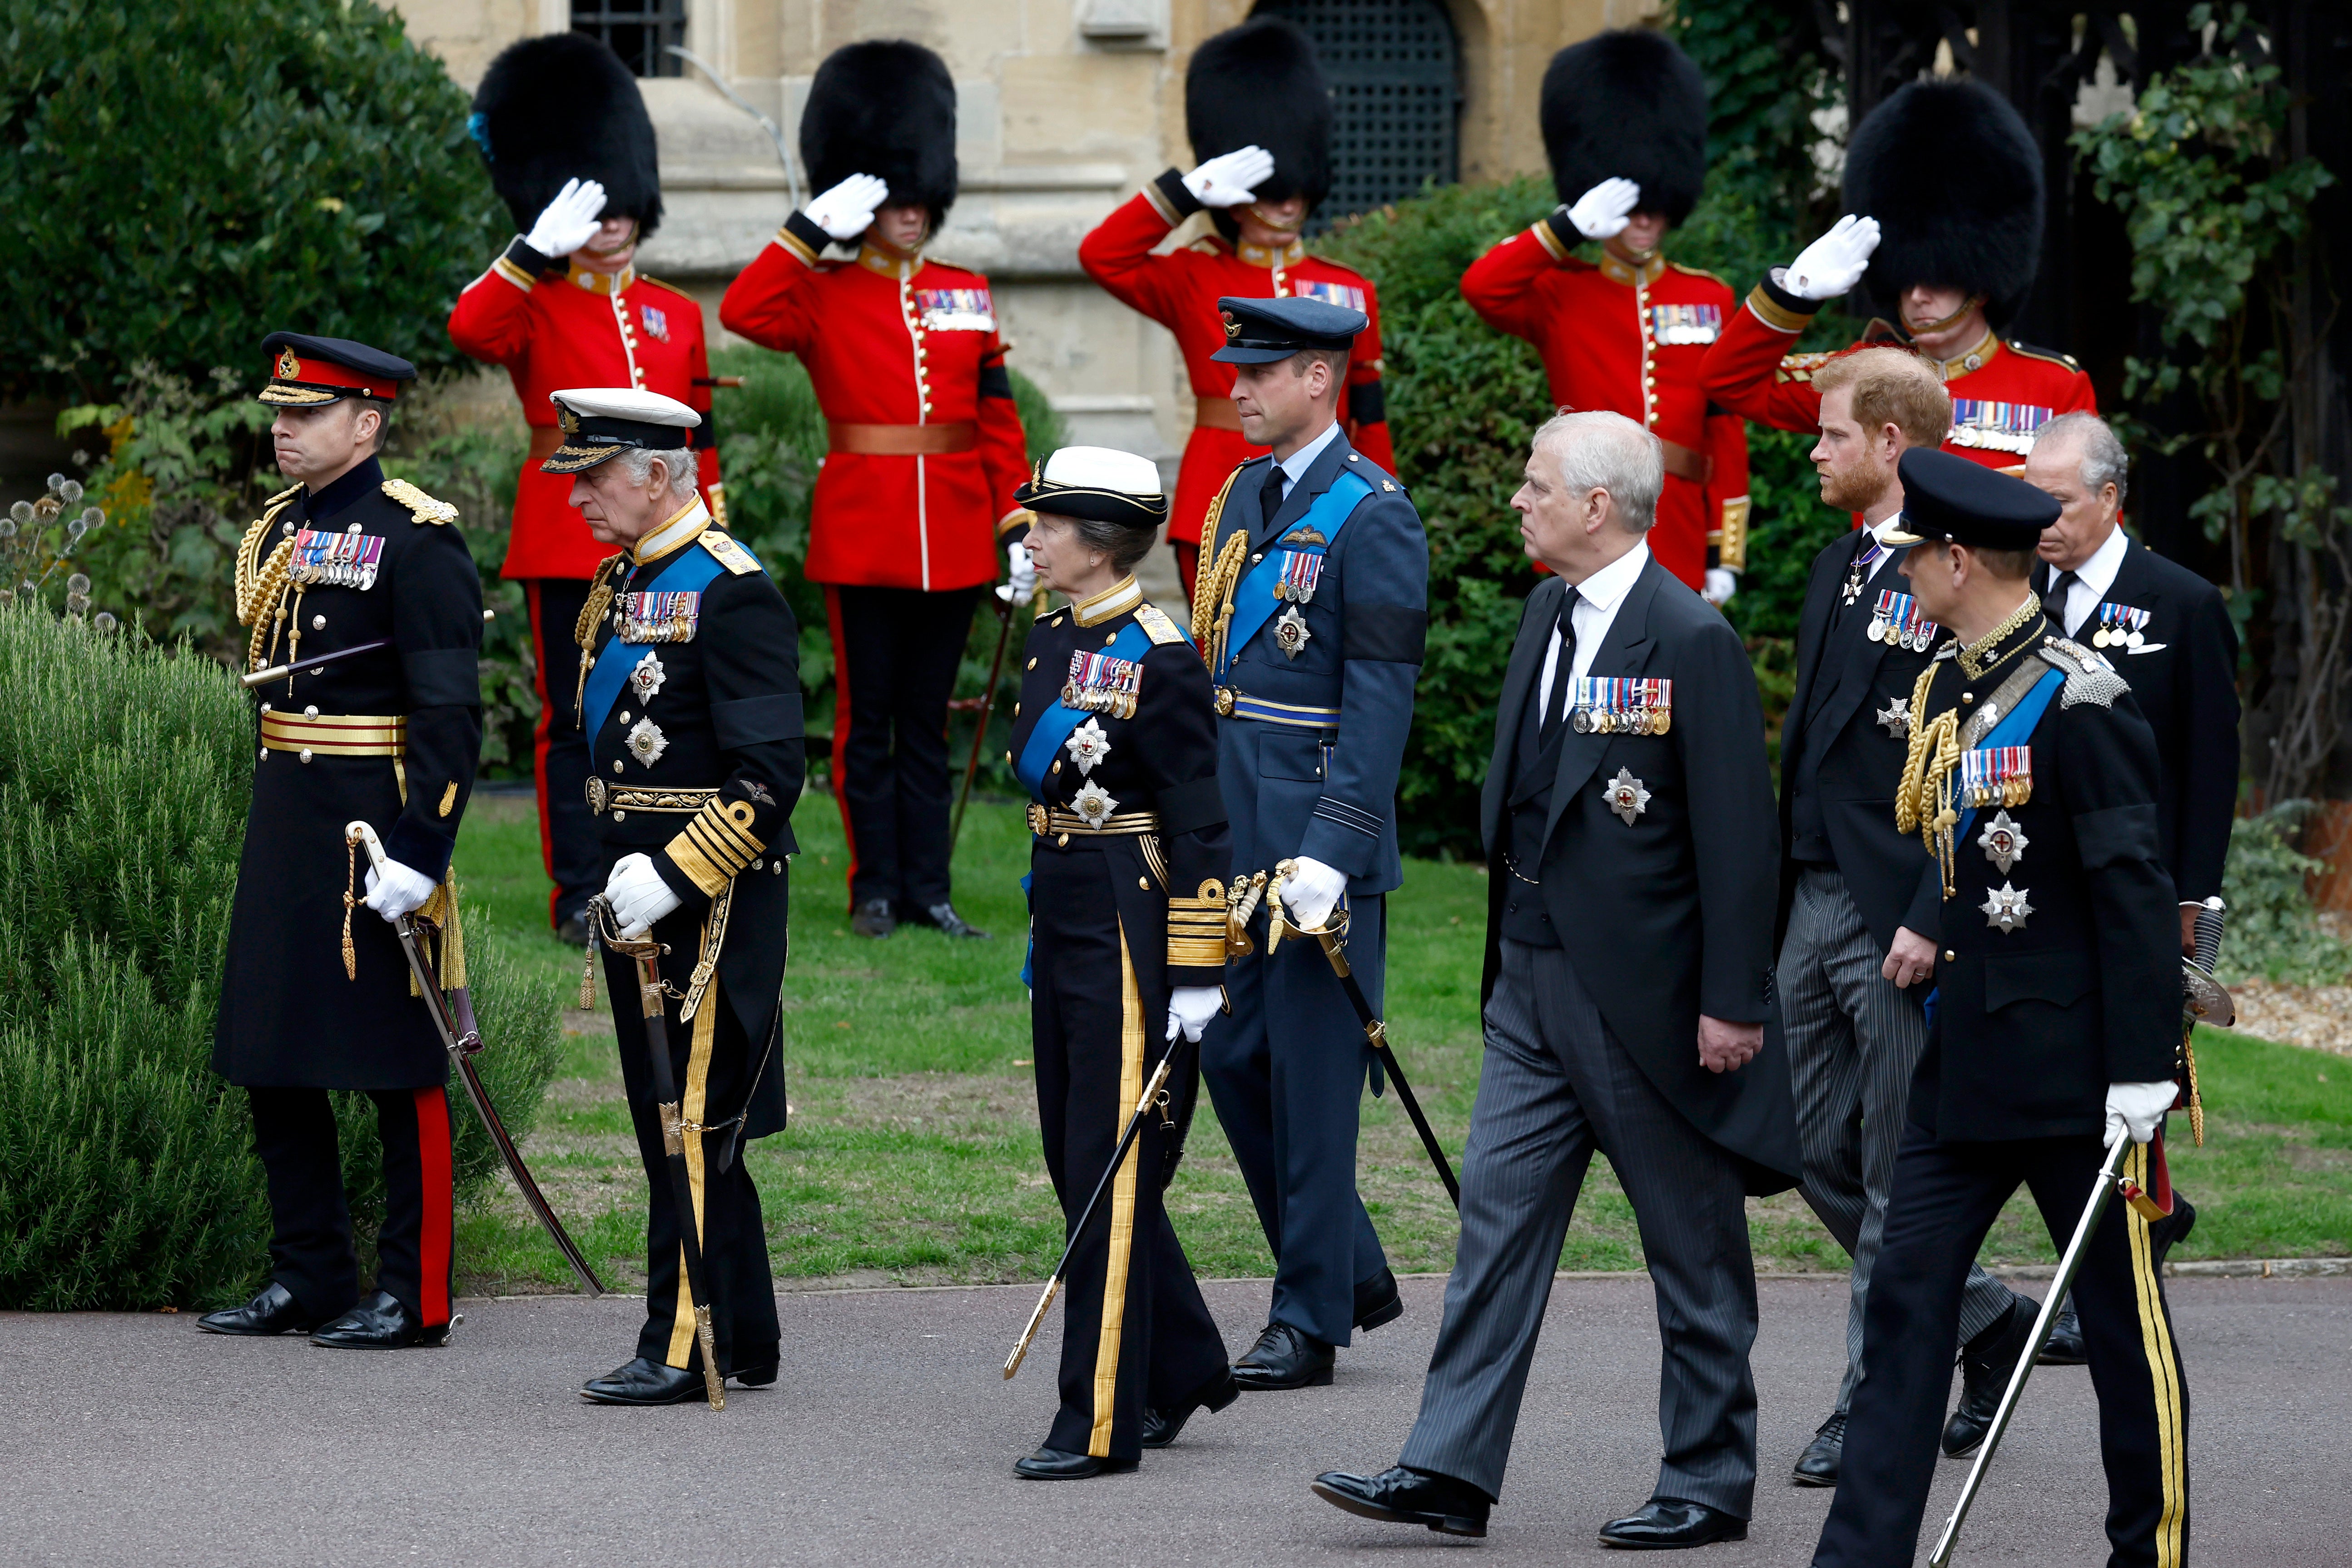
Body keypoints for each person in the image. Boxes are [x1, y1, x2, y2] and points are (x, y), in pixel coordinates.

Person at [1310, 411, 1796, 1552]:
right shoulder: (1546, 611)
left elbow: (1738, 842)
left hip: (1650, 999)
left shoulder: (1687, 636)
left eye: (1535, 487)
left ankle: (1708, 1476)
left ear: (1596, 506)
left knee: (1689, 1243)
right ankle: (1447, 1466)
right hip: (1528, 980)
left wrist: (1733, 1001)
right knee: (1494, 1228)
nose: (1516, 502)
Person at [1811, 447, 2188, 1566]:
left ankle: (2148, 1551)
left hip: (2079, 1075)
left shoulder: (2080, 696)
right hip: (1965, 1062)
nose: (1903, 577)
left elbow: (2131, 889)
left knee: (2125, 1339)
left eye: (1913, 557)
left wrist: (2141, 1070)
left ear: (1957, 558)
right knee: (1902, 1308)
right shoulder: (1950, 685)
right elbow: (1966, 857)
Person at [1767, 348, 2040, 1483]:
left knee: (1889, 1167)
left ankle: (1869, 1401)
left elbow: (1987, 762)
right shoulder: (1839, 560)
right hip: (1812, 893)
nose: (1815, 449)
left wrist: (1933, 910)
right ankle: (1984, 1314)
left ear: (1889, 442)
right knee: (1790, 1134)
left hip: (1899, 913)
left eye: (1832, 432)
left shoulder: (1952, 566)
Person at [204, 333, 483, 1350]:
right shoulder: (282, 527)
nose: (284, 428)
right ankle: (310, 1273)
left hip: (378, 821)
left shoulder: (419, 538)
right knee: (275, 1052)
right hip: (289, 812)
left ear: (366, 425)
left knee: (395, 1065)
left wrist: (422, 850)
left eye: (307, 413)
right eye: (280, 412)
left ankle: (417, 1294)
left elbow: (452, 716)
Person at [720, 39, 1028, 940]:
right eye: (894, 196)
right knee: (868, 725)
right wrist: (810, 226)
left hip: (960, 529)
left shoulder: (966, 293)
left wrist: (1019, 526)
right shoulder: (818, 292)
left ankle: (930, 888)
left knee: (927, 725)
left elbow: (997, 421)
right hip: (864, 528)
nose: (911, 212)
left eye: (921, 194)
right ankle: (875, 887)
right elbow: (743, 310)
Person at [1192, 294, 1426, 1390]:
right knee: (1233, 1060)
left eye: (1259, 370)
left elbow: (1379, 701)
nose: (1236, 386)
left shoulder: (1372, 513)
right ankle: (1349, 1270)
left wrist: (1334, 848)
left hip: (1313, 840)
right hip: (1237, 826)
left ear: (1321, 379)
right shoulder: (1246, 489)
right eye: (1235, 369)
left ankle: (1307, 1317)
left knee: (1311, 1077)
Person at [552, 388, 801, 1404]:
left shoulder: (734, 589)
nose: (578, 500)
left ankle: (682, 1342)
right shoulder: (622, 580)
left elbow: (768, 776)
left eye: (594, 478)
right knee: (676, 1118)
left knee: (688, 1123)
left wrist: (672, 873)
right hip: (634, 891)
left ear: (656, 475)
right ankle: (746, 1333)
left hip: (710, 898)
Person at [450, 32, 725, 945]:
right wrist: (531, 249)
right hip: (569, 533)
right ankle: (577, 886)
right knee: (574, 716)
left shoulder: (678, 312)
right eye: (593, 202)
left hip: (671, 539)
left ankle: (655, 867)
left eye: (621, 202)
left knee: (663, 707)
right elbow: (470, 329)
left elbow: (700, 437)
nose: (611, 220)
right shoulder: (532, 296)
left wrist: (709, 528)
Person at [1004, 446, 1238, 1479]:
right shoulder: (1053, 633)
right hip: (1061, 912)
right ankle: (1180, 1359)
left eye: (1046, 523)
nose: (1031, 536)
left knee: (1108, 1164)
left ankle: (1096, 1418)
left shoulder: (1161, 654)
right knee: (1079, 1157)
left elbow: (1200, 826)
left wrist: (1196, 968)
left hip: (1130, 929)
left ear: (1096, 544)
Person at [2021, 411, 2238, 1362]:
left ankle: (2113, 1274)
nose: (2039, 518)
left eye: (2057, 501)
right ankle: (2143, 1231)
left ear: (2111, 500)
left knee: (2132, 1080)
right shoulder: (2019, 591)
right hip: (2039, 893)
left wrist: (2195, 906)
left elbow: (2210, 770)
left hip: (2144, 895)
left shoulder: (2180, 601)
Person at [1077, 15, 1394, 600]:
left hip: (1331, 497)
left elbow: (1368, 418)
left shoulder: (1349, 288)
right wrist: (1184, 195)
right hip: (1221, 487)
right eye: (1271, 188)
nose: (1285, 199)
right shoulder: (1196, 271)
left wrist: (1383, 498)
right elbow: (1102, 256)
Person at [1459, 29, 1749, 599]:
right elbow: (1482, 288)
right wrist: (1566, 228)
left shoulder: (1709, 297)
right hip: (1583, 527)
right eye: (1631, 205)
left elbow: (1725, 433)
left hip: (1680, 528)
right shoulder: (1560, 292)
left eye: (1657, 205)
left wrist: (1726, 551)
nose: (1645, 219)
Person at [1702, 79, 2096, 471]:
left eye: (1940, 277)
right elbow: (1727, 381)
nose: (1918, 295)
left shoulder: (2055, 386)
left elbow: (2088, 518)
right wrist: (1794, 293)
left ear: (1981, 284)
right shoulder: (1861, 374)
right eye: (1906, 280)